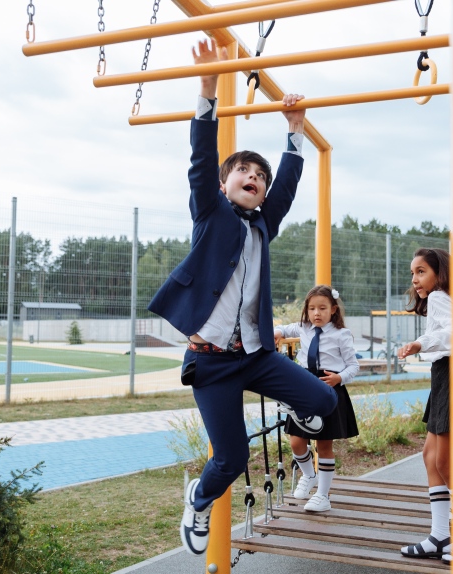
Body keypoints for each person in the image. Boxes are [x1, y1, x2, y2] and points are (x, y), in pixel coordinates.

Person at [147, 39, 338, 556]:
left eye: (260, 176)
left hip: (255, 356)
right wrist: (208, 87)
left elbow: (288, 188)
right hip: (210, 362)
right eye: (244, 174)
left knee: (322, 399)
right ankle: (200, 498)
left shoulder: (263, 227)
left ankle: (298, 441)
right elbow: (201, 158)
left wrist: (294, 131)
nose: (254, 179)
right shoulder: (211, 216)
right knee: (229, 460)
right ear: (225, 184)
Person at [274, 285, 360, 513]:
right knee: (296, 441)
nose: (316, 313)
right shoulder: (303, 327)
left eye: (322, 308)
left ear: (333, 309)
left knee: (324, 444)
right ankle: (309, 476)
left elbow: (353, 365)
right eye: (312, 308)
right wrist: (278, 332)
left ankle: (323, 495)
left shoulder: (342, 334)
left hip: (329, 387)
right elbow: (284, 328)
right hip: (304, 386)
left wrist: (339, 378)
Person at [396, 248, 452, 563]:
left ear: (438, 272)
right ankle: (440, 535)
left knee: (444, 462)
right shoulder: (440, 298)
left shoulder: (440, 297)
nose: (415, 280)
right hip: (442, 375)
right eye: (413, 273)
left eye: (421, 272)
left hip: (451, 374)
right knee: (430, 456)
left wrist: (420, 343)